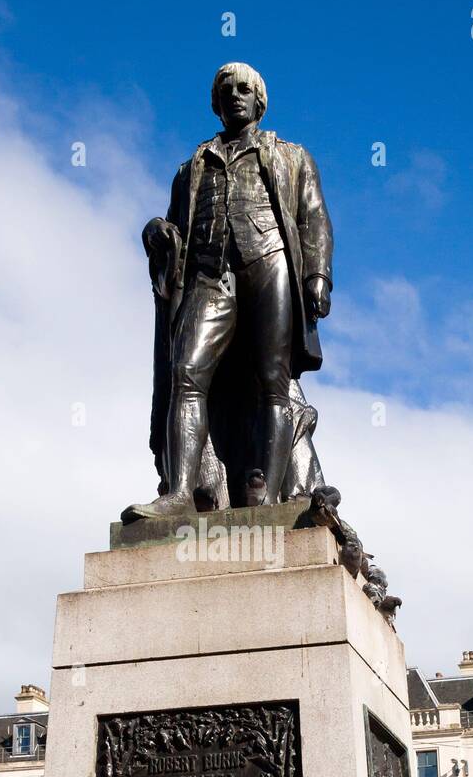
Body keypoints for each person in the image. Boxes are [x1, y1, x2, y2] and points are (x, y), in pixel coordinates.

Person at [128, 62, 333, 518]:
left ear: (260, 101)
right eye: (227, 90)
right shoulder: (191, 168)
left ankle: (272, 498)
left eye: (245, 89)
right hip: (208, 273)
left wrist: (317, 276)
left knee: (273, 385)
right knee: (186, 371)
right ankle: (180, 493)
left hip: (269, 261)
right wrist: (155, 231)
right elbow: (175, 227)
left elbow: (313, 217)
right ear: (216, 103)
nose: (236, 95)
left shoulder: (291, 156)